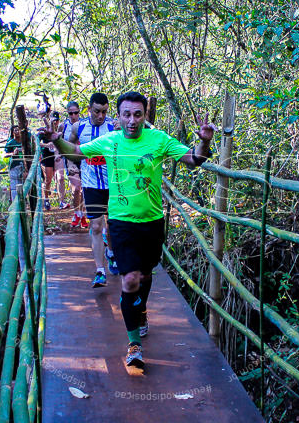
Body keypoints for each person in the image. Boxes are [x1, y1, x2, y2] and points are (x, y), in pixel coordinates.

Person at [39, 91, 216, 375]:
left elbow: (194, 160)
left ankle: (141, 310)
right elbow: (76, 153)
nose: (132, 120)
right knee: (130, 278)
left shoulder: (158, 140)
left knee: (145, 276)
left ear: (144, 116)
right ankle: (134, 344)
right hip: (121, 223)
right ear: (117, 117)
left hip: (152, 222)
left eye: (137, 114)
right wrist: (55, 138)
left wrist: (205, 141)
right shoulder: (110, 141)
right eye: (126, 114)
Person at [67, 92, 119, 286]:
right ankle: (100, 271)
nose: (101, 116)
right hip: (91, 184)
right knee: (96, 226)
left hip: (113, 184)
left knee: (112, 225)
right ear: (88, 109)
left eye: (105, 112)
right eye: (97, 111)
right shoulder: (78, 127)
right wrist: (72, 163)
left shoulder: (113, 127)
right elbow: (69, 145)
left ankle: (111, 252)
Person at [61, 101, 86, 224]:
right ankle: (77, 213)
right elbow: (58, 142)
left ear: (79, 112)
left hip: (84, 159)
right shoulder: (63, 126)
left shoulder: (84, 124)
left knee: (84, 189)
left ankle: (82, 214)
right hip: (70, 160)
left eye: (76, 113)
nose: (73, 115)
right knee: (76, 188)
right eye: (70, 113)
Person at [4, 125, 25, 202]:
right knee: (14, 187)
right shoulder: (11, 142)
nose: (17, 132)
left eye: (19, 130)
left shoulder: (25, 141)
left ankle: (23, 202)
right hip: (14, 166)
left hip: (24, 166)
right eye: (15, 130)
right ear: (13, 133)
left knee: (24, 185)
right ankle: (15, 204)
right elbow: (5, 154)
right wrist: (13, 153)